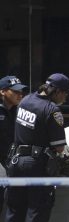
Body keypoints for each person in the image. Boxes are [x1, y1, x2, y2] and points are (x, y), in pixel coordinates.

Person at [0, 73, 69, 222]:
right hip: (37, 166)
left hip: (15, 163)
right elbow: (58, 147)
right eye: (64, 94)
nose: (64, 98)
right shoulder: (52, 110)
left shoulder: (26, 100)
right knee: (36, 214)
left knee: (13, 214)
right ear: (57, 91)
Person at [0, 76, 27, 209]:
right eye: (15, 91)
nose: (19, 95)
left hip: (11, 162)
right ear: (3, 91)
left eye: (21, 92)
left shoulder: (19, 111)